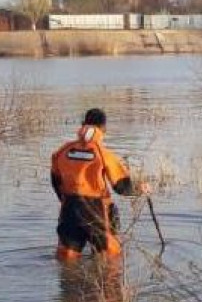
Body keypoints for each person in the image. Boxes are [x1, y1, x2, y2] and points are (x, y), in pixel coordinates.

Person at [50, 108, 149, 260]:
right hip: (97, 210)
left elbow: (56, 182)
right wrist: (141, 188)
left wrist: (69, 202)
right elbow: (122, 187)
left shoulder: (62, 151)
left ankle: (70, 281)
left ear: (83, 124)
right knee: (110, 259)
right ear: (103, 128)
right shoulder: (104, 154)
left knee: (67, 258)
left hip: (69, 209)